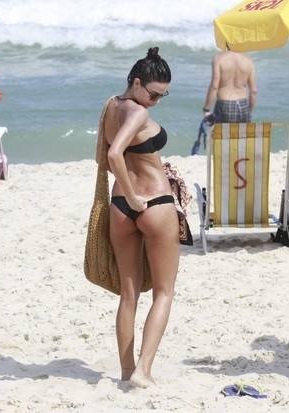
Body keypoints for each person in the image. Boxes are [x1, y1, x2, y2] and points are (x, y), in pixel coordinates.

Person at [98, 47, 179, 389]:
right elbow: (115, 153)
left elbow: (109, 155)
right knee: (164, 292)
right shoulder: (137, 112)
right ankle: (143, 371)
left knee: (128, 294)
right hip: (152, 202)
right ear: (136, 82)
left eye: (163, 96)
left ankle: (126, 369)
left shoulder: (111, 105)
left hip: (119, 207)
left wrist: (128, 194)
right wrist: (136, 194)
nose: (156, 102)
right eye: (153, 94)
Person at [202, 48, 257, 123]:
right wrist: (248, 111)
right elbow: (253, 91)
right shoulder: (248, 61)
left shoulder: (218, 59)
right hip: (243, 106)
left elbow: (214, 86)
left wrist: (206, 109)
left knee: (221, 131)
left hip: (225, 106)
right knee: (240, 131)